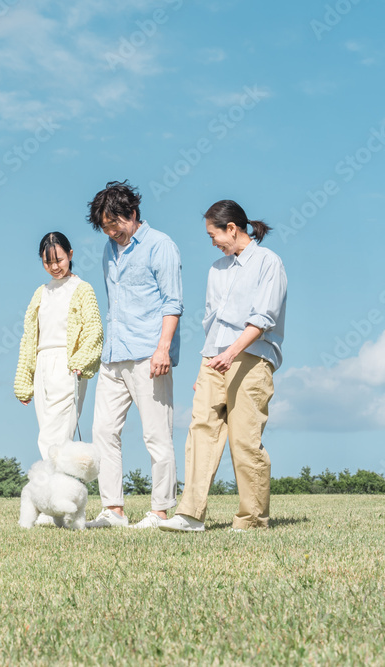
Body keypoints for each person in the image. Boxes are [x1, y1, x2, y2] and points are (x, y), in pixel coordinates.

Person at [161, 200, 287, 533]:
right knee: (201, 430)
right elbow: (211, 321)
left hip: (252, 357)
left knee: (244, 440)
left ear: (232, 228)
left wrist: (230, 353)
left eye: (213, 234)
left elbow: (263, 318)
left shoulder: (268, 263)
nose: (212, 241)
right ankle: (190, 514)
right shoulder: (216, 268)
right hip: (214, 358)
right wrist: (207, 364)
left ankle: (252, 520)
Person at [85, 180, 183, 530]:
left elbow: (172, 303)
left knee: (156, 435)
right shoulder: (109, 250)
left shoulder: (161, 246)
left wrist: (163, 349)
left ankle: (159, 512)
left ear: (133, 214)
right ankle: (113, 509)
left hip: (149, 354)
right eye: (105, 226)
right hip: (114, 355)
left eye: (116, 223)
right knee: (103, 432)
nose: (112, 231)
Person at [14, 232, 103, 465]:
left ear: (70, 254)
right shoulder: (40, 292)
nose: (54, 266)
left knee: (56, 432)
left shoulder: (82, 288)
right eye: (48, 262)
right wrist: (25, 380)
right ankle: (56, 488)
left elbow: (93, 329)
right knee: (47, 430)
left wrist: (81, 362)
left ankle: (54, 486)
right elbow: (29, 338)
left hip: (69, 364)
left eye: (59, 260)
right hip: (42, 364)